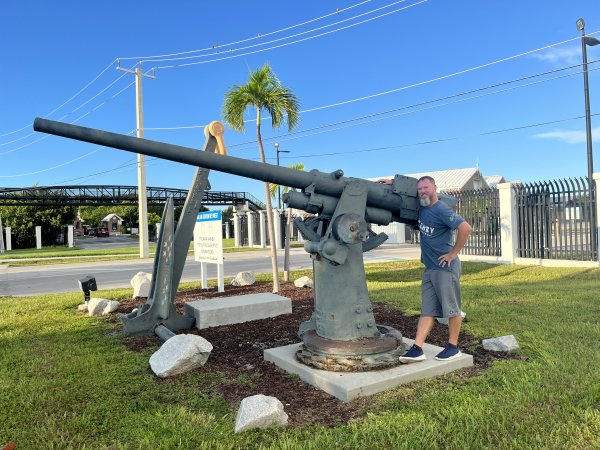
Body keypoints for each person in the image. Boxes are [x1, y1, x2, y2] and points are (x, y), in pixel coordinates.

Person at [380, 175, 472, 362]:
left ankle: (453, 347)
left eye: (426, 188)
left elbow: (466, 228)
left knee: (452, 309)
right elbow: (409, 188)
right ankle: (418, 348)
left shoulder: (441, 209)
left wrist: (453, 253)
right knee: (427, 310)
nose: (422, 191)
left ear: (435, 188)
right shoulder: (422, 207)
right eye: (420, 188)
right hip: (430, 268)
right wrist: (393, 182)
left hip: (445, 267)